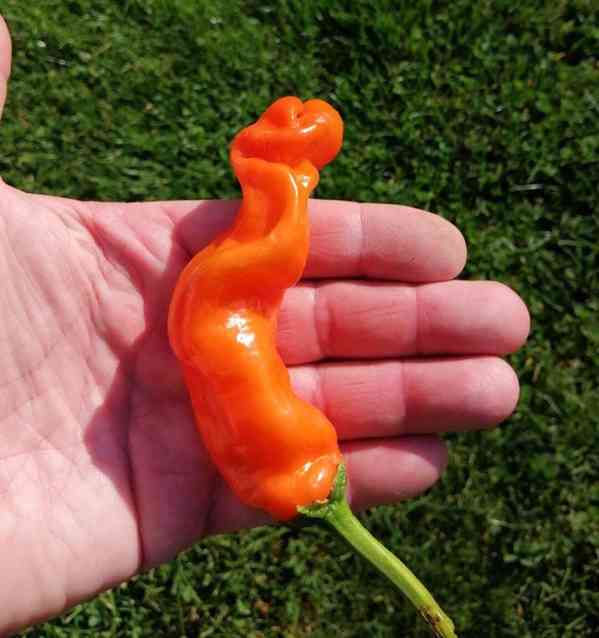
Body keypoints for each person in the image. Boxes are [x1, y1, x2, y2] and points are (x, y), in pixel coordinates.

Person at [0, 15, 529, 635]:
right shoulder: (281, 474)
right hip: (278, 458)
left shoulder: (285, 471)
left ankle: (277, 175)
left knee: (219, 316)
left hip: (278, 453)